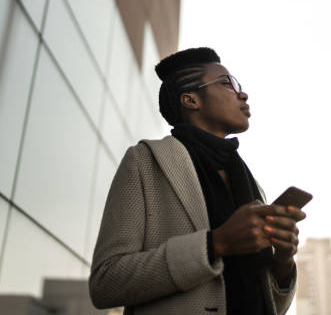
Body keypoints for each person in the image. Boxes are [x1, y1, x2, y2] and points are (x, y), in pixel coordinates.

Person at [89, 47, 307, 315]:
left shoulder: (251, 183)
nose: (243, 93)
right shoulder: (145, 161)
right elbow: (106, 282)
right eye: (228, 83)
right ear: (191, 100)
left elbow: (270, 303)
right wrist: (215, 244)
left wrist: (284, 262)